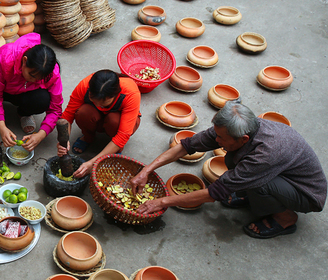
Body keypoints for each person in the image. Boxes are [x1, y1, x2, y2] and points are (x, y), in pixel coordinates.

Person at [129, 101, 326, 239]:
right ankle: (252, 194)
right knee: (232, 158)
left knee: (260, 184)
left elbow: (213, 194)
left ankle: (285, 218)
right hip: (279, 172)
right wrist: (147, 170)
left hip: (306, 193)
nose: (217, 140)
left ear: (244, 139)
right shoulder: (234, 128)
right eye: (217, 134)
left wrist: (162, 201)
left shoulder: (266, 153)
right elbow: (186, 146)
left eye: (221, 138)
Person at [57, 69, 141, 178]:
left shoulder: (130, 93)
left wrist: (92, 163)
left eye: (103, 103)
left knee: (113, 121)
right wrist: (64, 141)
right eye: (93, 100)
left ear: (114, 95)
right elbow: (68, 116)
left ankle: (116, 150)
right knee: (83, 112)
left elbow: (122, 136)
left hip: (117, 121)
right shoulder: (85, 85)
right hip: (96, 117)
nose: (98, 105)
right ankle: (88, 137)